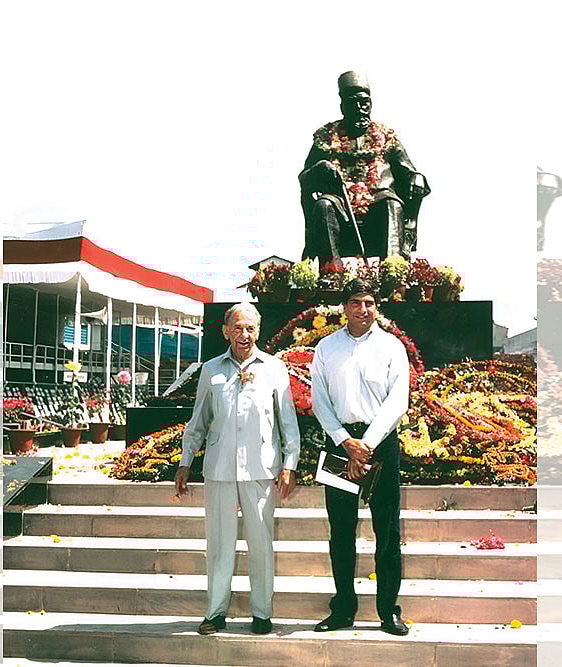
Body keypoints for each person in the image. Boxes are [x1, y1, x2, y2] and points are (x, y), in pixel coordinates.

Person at [176, 302, 301, 636]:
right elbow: (198, 421)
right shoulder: (211, 370)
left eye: (250, 328)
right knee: (219, 545)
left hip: (261, 469)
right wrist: (186, 461)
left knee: (261, 544)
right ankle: (215, 612)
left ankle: (262, 613)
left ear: (258, 332)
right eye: (238, 328)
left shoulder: (274, 368)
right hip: (219, 470)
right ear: (225, 331)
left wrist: (289, 464)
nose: (244, 335)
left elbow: (288, 422)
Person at [309, 278, 411, 635]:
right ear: (344, 307)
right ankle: (343, 609)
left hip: (380, 444)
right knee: (340, 530)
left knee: (387, 530)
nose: (362, 309)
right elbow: (319, 400)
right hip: (338, 445)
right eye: (355, 302)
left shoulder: (391, 346)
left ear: (376, 306)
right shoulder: (326, 348)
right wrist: (344, 441)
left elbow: (398, 400)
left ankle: (388, 611)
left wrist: (365, 443)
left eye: (369, 302)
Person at [300, 71, 430, 264]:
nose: (360, 109)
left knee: (391, 204)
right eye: (354, 103)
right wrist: (319, 168)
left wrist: (417, 177)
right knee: (323, 205)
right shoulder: (326, 138)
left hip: (378, 205)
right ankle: (332, 274)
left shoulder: (386, 137)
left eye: (365, 103)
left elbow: (408, 171)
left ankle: (393, 273)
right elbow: (304, 177)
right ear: (343, 107)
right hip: (340, 205)